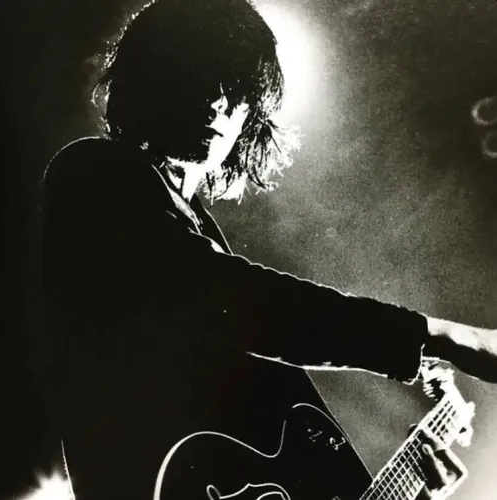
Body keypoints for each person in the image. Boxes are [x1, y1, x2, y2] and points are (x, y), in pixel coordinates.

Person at [40, 0, 497, 499]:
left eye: (236, 88)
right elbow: (225, 297)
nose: (218, 102)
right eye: (197, 74)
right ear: (150, 79)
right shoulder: (91, 173)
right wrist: (442, 336)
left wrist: (410, 490)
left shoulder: (199, 234)